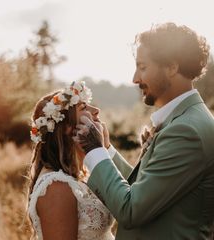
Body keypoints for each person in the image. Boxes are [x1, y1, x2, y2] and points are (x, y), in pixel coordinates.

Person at [75, 22, 214, 239]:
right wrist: (107, 150)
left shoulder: (187, 131)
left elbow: (131, 210)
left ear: (171, 67)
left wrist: (94, 151)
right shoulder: (186, 120)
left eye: (142, 67)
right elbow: (146, 188)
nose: (135, 78)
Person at [27, 81, 115, 240]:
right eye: (83, 108)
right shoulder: (56, 186)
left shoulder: (83, 175)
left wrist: (105, 147)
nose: (96, 110)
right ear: (66, 128)